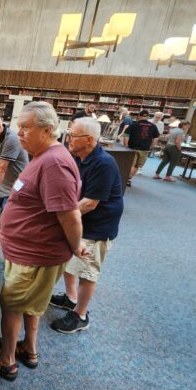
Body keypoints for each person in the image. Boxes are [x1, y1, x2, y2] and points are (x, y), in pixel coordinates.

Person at [0, 102, 86, 381]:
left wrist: (76, 246)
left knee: (12, 304)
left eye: (26, 127)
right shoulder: (42, 155)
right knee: (30, 304)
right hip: (30, 252)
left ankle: (6, 361)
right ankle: (28, 349)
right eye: (18, 126)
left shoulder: (55, 163)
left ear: (48, 130)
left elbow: (69, 215)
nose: (19, 132)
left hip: (35, 255)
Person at [49, 117, 124, 334]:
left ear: (89, 139)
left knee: (88, 270)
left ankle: (81, 314)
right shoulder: (78, 156)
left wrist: (61, 217)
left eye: (73, 136)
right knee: (70, 259)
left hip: (98, 226)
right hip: (81, 220)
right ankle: (71, 298)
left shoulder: (104, 163)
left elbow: (90, 203)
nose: (68, 139)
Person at [122, 110, 160, 186]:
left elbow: (126, 135)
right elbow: (156, 138)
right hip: (145, 149)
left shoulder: (134, 125)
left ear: (139, 116)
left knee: (131, 164)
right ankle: (129, 179)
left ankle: (126, 179)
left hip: (133, 147)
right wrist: (151, 146)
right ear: (148, 117)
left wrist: (126, 146)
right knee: (137, 166)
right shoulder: (153, 126)